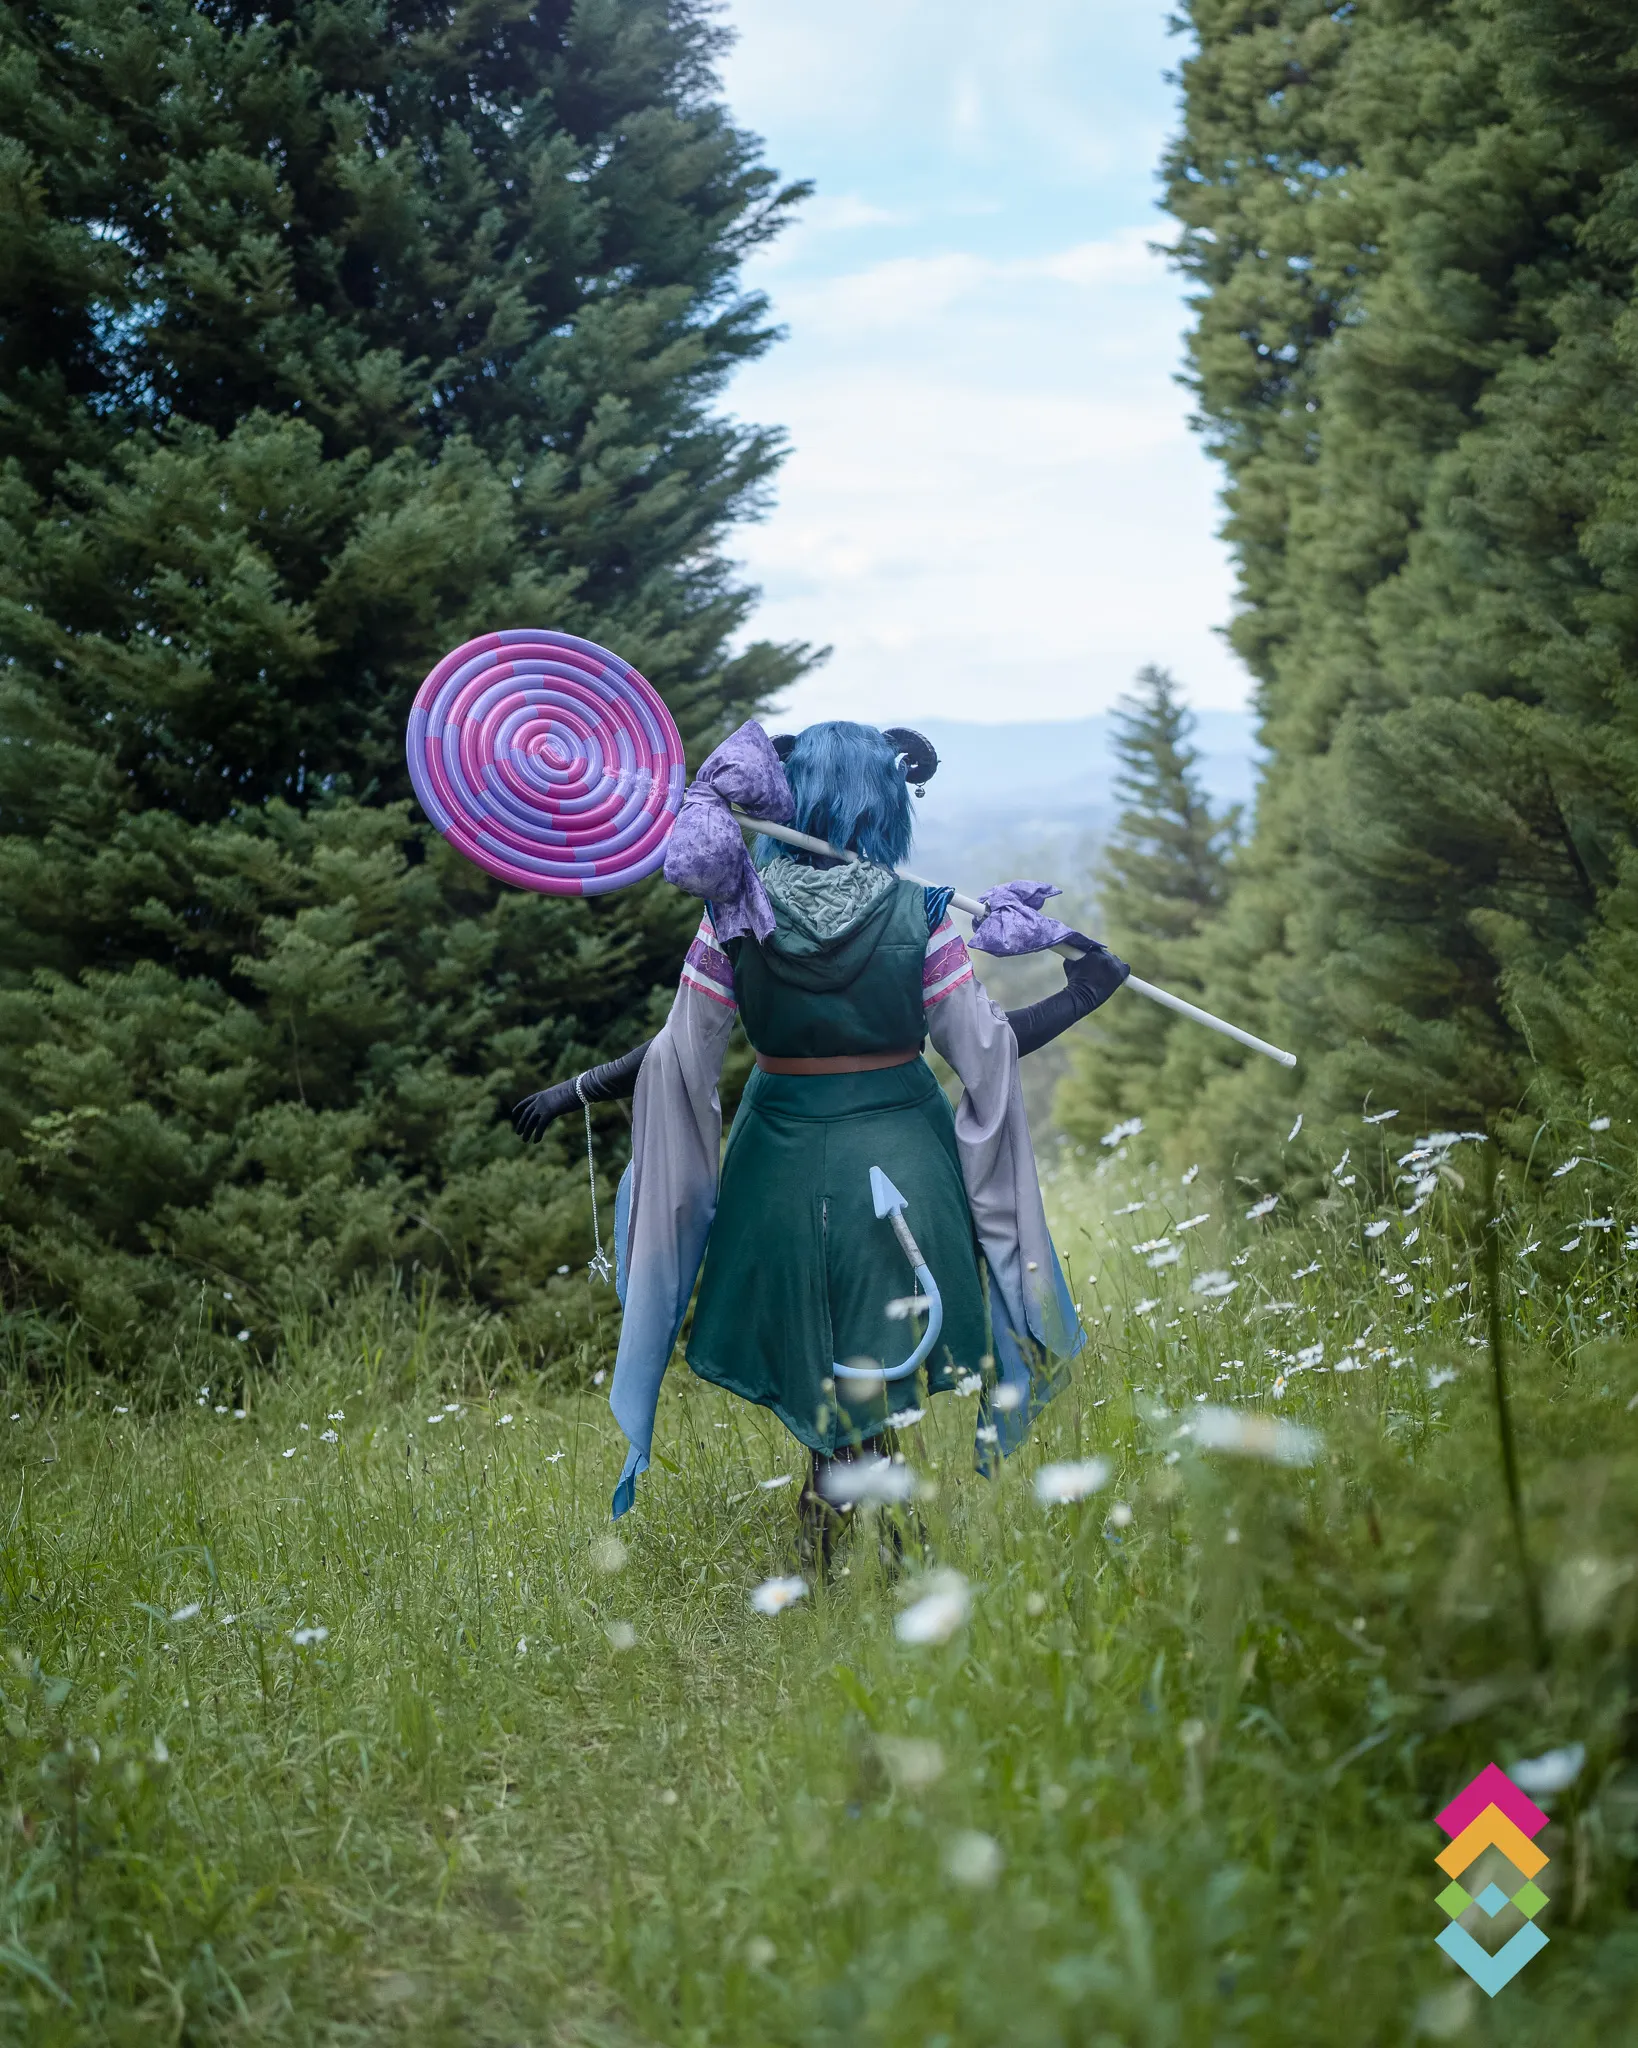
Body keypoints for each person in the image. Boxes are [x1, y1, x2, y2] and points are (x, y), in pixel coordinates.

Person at [515, 719, 1127, 1545]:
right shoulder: (921, 916)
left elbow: (679, 1052)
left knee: (819, 1346)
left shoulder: (733, 914)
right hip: (904, 1157)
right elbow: (984, 1049)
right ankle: (870, 1532)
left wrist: (579, 1088)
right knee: (883, 1337)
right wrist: (1084, 993)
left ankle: (841, 1525)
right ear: (884, 804)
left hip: (780, 1165)